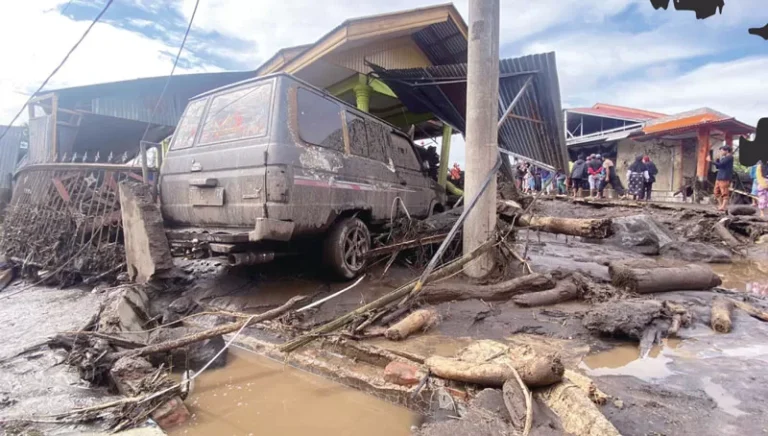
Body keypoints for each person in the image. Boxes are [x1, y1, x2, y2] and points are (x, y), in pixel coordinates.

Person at [709, 145, 734, 211]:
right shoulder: (724, 158)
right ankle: (720, 205)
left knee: (724, 192)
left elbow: (720, 164)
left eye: (722, 150)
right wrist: (717, 159)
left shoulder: (729, 157)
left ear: (726, 150)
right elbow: (718, 166)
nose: (721, 152)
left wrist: (710, 161)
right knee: (716, 192)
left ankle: (723, 206)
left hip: (725, 177)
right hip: (719, 177)